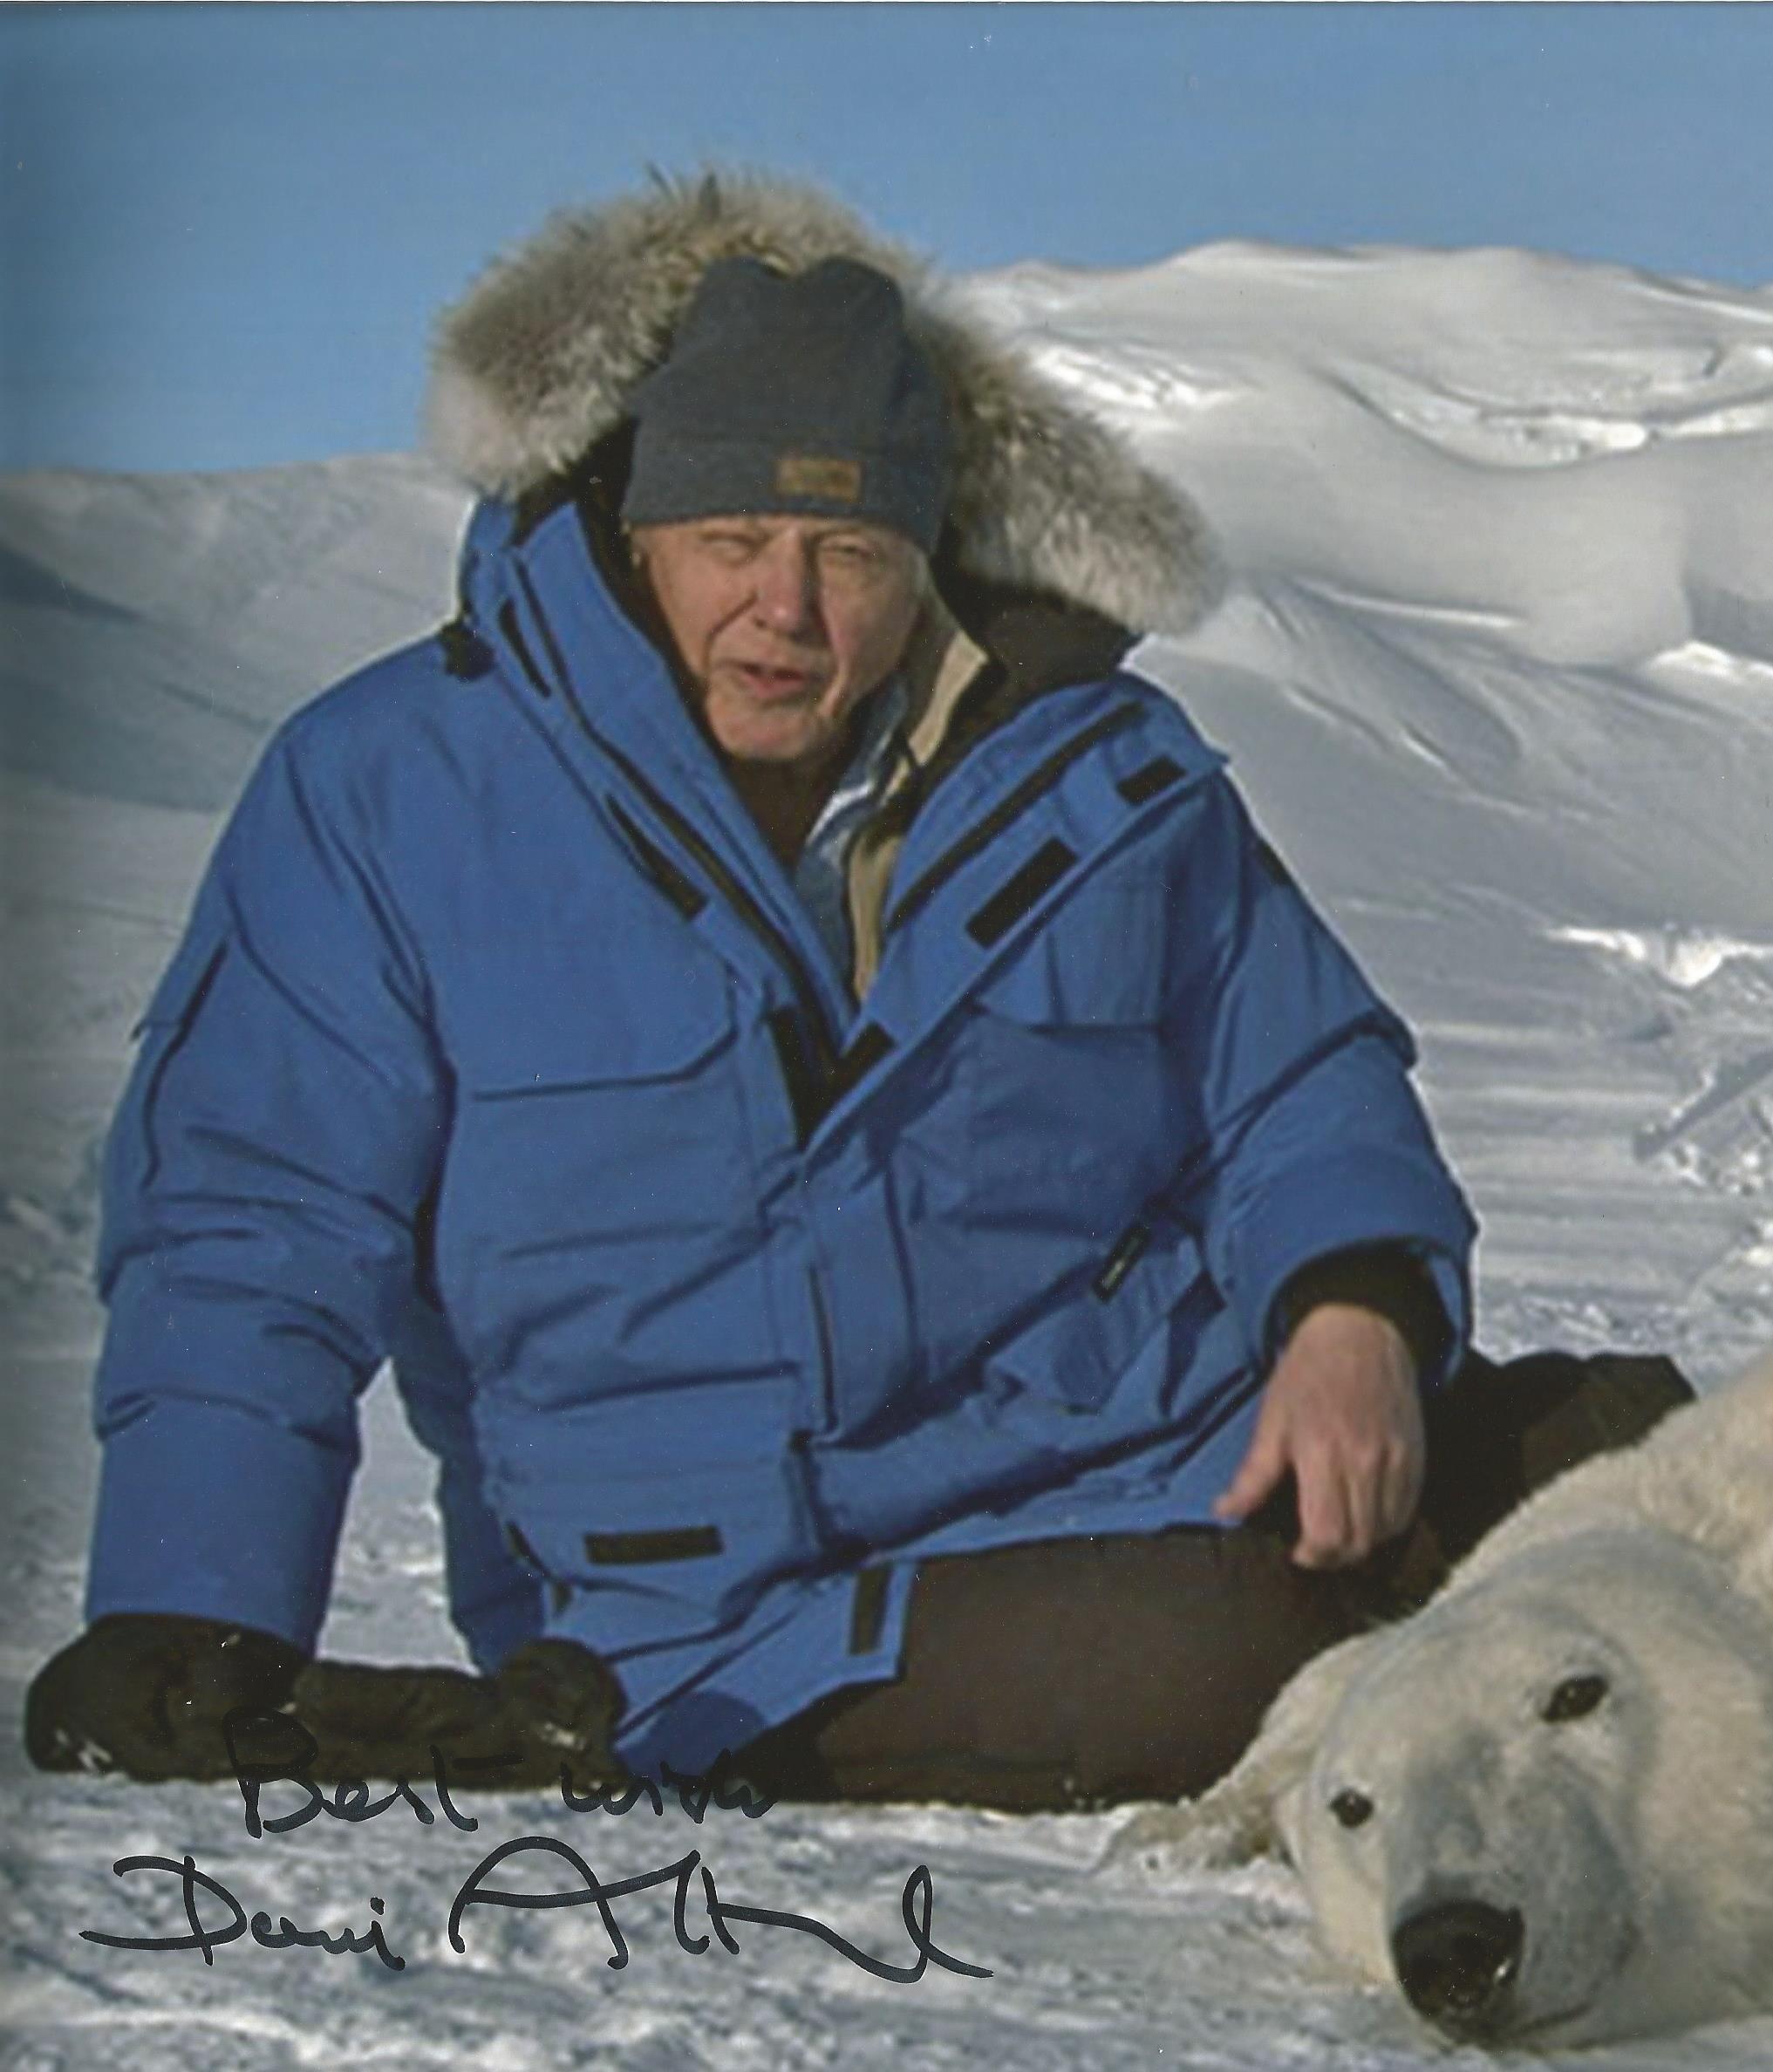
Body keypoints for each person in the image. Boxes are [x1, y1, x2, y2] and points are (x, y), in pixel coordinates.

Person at [24, 174, 1685, 1810]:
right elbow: (250, 1224)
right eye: (733, 540)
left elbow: (1298, 1078)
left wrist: (1352, 1310)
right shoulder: (390, 793)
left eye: (849, 550)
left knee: (1648, 1461)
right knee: (1271, 1646)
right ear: (634, 527)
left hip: (1151, 1463)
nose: (788, 610)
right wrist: (191, 1611)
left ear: (928, 552)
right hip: (720, 1620)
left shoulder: (1102, 779)